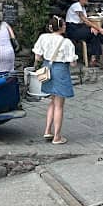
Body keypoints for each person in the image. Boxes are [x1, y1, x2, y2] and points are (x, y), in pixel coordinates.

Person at [32, 16, 77, 144]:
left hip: (47, 69)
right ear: (62, 27)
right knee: (59, 105)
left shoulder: (43, 37)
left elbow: (38, 57)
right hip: (60, 71)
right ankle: (57, 136)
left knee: (52, 101)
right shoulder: (66, 42)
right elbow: (72, 63)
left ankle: (47, 130)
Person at [65, 0, 103, 66]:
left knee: (94, 34)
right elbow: (85, 20)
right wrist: (99, 28)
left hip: (79, 28)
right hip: (72, 30)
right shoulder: (76, 6)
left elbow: (85, 22)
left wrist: (92, 28)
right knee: (96, 32)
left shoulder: (82, 8)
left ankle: (93, 60)